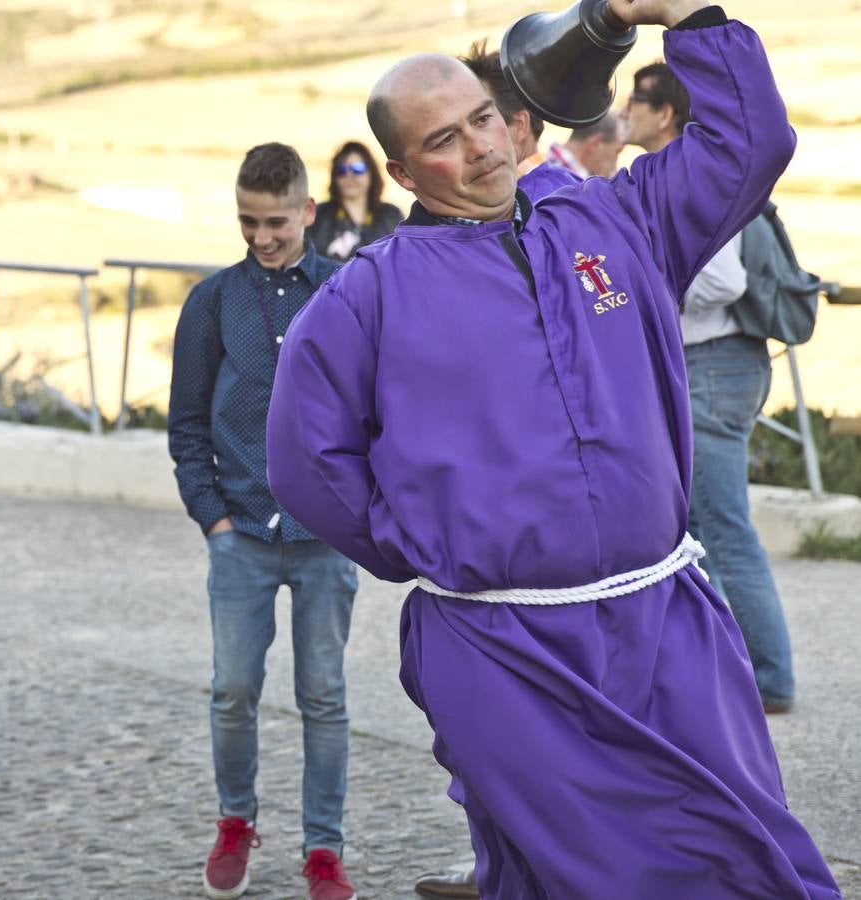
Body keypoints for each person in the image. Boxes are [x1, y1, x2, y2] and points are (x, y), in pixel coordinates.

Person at [266, 2, 840, 897]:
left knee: (748, 852)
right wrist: (427, 546)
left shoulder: (621, 225)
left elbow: (752, 141)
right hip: (504, 649)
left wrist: (685, 17)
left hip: (667, 626)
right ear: (402, 169)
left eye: (486, 119)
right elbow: (307, 461)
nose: (482, 148)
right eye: (446, 139)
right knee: (580, 876)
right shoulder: (364, 299)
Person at [168, 142, 358, 900]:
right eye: (248, 222)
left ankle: (324, 849)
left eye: (276, 221)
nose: (261, 237)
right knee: (232, 691)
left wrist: (357, 513)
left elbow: (374, 412)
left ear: (308, 212)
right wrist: (212, 520)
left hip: (324, 539)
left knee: (325, 696)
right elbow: (186, 425)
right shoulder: (211, 302)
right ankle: (236, 821)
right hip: (240, 536)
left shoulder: (346, 292)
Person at [625, 59, 796, 713]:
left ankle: (773, 679)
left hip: (716, 365)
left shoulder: (690, 177)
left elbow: (724, 280)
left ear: (666, 113)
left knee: (722, 528)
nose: (628, 110)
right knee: (702, 525)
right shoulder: (675, 174)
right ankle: (725, 669)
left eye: (639, 99)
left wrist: (654, 289)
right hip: (714, 364)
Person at [460, 40, 583, 200]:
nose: (475, 148)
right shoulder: (568, 183)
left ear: (520, 126)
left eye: (482, 121)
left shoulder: (529, 207)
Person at [309, 141, 404, 261]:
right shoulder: (318, 215)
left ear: (371, 173)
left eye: (357, 169)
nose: (349, 175)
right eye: (342, 170)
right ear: (334, 177)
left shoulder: (391, 215)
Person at [545, 112, 625, 178]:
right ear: (595, 144)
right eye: (617, 152)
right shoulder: (575, 185)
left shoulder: (542, 166)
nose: (615, 166)